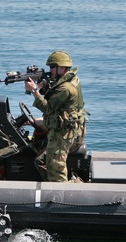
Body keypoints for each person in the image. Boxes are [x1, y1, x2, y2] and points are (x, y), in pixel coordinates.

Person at [25, 51, 85, 182]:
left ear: (62, 68)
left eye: (53, 67)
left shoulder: (66, 88)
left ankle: (64, 193)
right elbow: (57, 99)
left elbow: (48, 108)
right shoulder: (71, 79)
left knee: (56, 167)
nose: (50, 70)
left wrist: (35, 91)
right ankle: (67, 183)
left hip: (63, 133)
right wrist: (45, 87)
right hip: (70, 131)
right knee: (41, 161)